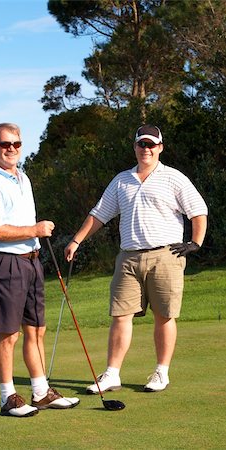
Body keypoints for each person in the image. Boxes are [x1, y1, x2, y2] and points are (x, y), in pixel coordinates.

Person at [64, 124, 208, 394]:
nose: (147, 149)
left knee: (164, 316)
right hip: (128, 258)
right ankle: (111, 374)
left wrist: (195, 243)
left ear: (160, 148)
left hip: (166, 255)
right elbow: (99, 214)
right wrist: (76, 240)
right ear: (135, 147)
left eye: (152, 144)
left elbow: (198, 210)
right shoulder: (121, 180)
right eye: (142, 144)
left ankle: (161, 373)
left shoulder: (174, 178)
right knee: (120, 315)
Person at [0, 123, 79, 417]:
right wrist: (35, 229)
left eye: (16, 144)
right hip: (5, 263)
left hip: (31, 261)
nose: (10, 149)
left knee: (36, 329)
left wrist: (35, 235)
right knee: (9, 334)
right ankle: (8, 398)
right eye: (4, 144)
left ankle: (41, 392)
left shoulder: (23, 177)